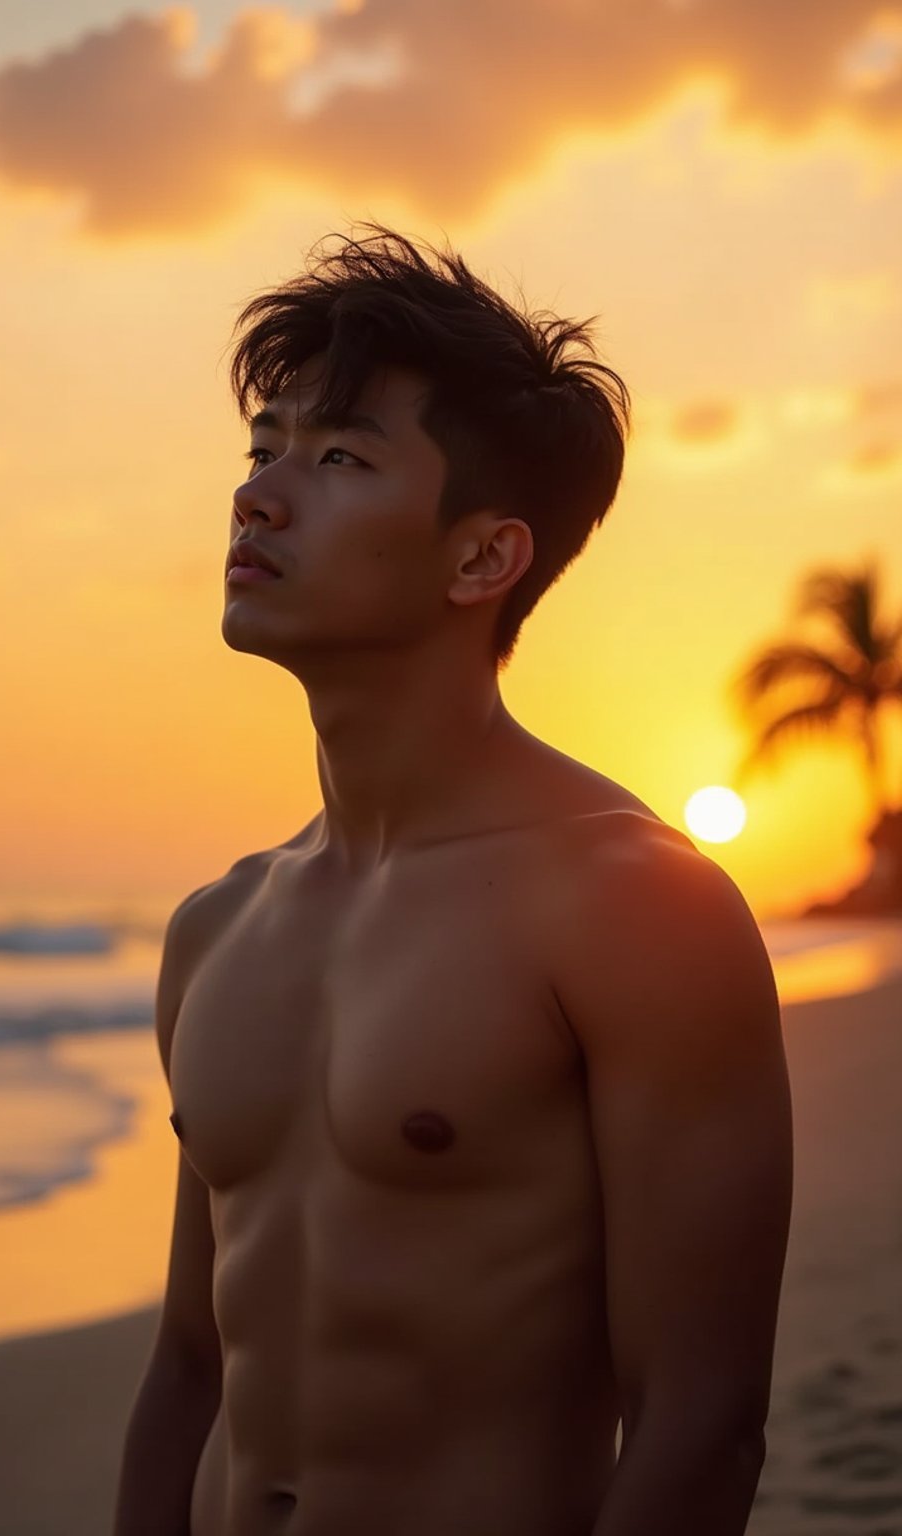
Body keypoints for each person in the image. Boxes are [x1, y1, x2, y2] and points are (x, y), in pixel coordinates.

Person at [113, 223, 793, 1536]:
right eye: (263, 450)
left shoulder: (632, 909)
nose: (260, 495)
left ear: (485, 558)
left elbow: (701, 1421)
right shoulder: (217, 929)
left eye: (340, 459)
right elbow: (190, 1371)